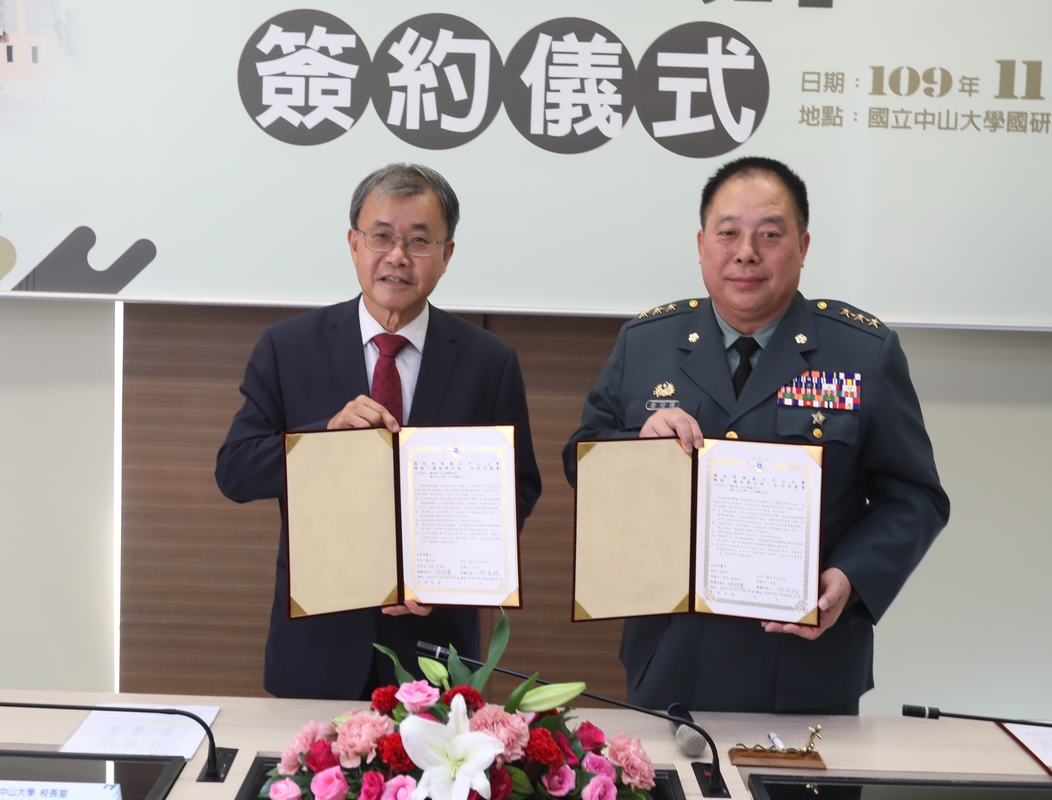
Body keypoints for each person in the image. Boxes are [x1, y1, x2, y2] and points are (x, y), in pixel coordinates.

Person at [563, 156, 948, 714]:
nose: (746, 252)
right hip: (672, 658)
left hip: (806, 663)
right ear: (701, 245)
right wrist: (636, 446)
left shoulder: (862, 352)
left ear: (803, 246)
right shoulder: (645, 343)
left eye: (769, 234)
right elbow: (582, 460)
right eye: (728, 234)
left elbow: (915, 496)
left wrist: (852, 577)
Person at [217, 163, 541, 700]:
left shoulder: (490, 361)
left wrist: (451, 579)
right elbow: (236, 470)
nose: (397, 256)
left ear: (446, 255)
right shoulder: (287, 346)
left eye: (418, 241)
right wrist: (324, 438)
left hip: (435, 650)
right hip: (317, 643)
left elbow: (518, 491)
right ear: (353, 244)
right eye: (382, 237)